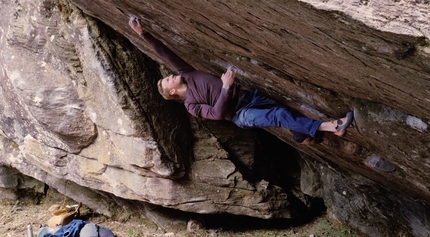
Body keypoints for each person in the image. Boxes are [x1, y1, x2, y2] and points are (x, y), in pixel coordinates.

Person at [129, 18, 353, 144]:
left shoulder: (185, 73)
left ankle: (301, 135)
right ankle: (333, 126)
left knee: (282, 110)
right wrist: (225, 88)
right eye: (168, 80)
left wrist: (142, 33)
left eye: (167, 76)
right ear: (173, 92)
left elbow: (164, 52)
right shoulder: (191, 106)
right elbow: (216, 114)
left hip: (248, 97)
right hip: (240, 114)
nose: (169, 75)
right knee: (279, 115)